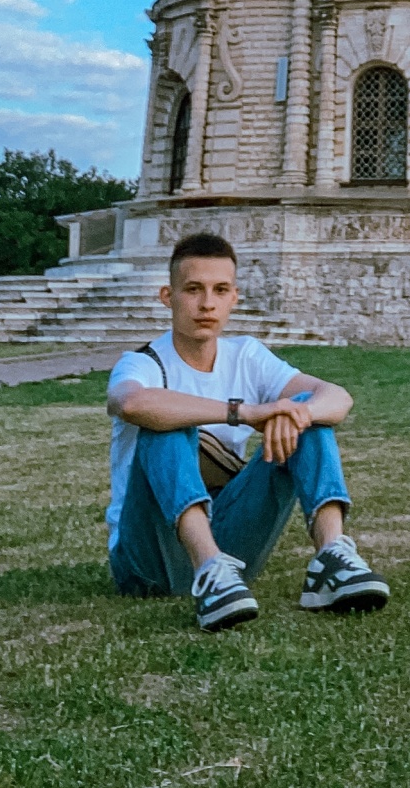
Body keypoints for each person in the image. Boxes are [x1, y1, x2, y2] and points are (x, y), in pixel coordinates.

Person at [106, 230, 390, 632]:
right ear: (167, 297)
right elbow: (131, 403)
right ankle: (207, 569)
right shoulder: (143, 362)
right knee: (165, 421)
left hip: (233, 550)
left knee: (303, 411)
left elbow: (337, 397)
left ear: (234, 297)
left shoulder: (246, 355)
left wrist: (296, 415)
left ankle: (331, 556)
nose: (207, 304)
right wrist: (245, 412)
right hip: (149, 560)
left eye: (220, 290)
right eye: (193, 290)